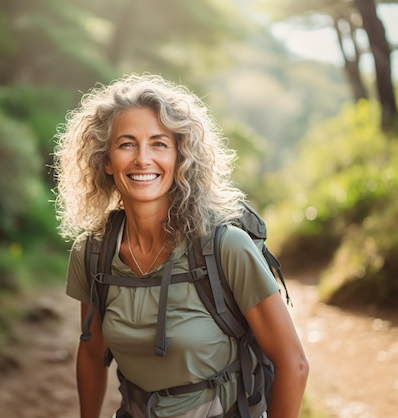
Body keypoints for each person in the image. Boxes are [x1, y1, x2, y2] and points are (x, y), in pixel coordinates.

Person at [54, 73, 309, 418]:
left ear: (180, 158)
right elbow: (91, 351)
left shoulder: (225, 249)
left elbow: (293, 363)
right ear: (106, 160)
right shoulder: (93, 253)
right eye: (127, 144)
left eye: (159, 144)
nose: (143, 159)